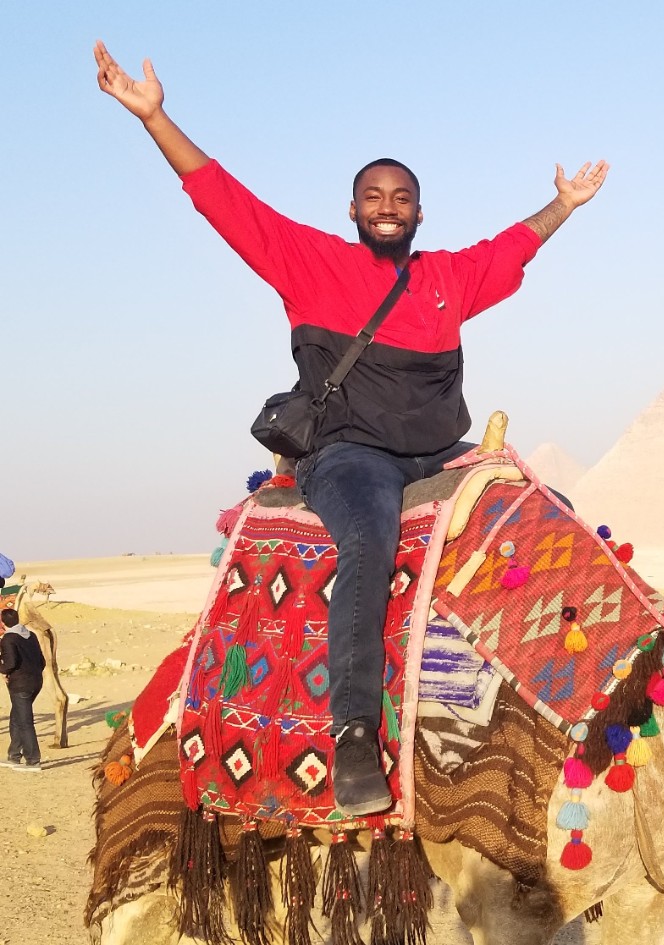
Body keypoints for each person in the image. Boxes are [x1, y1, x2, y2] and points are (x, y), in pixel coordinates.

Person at [95, 42, 609, 816]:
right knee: (367, 541)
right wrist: (156, 118)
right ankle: (354, 734)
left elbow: (514, 247)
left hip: (439, 450)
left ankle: (585, 693)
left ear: (420, 211)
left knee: (546, 505)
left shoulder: (445, 278)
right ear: (353, 208)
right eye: (374, 195)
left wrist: (564, 205)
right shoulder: (308, 262)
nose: (388, 206)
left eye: (401, 196)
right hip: (351, 453)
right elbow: (223, 198)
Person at [1, 608, 46, 771]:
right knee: (16, 718)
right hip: (36, 682)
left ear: (3, 622)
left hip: (21, 686)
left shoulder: (8, 638)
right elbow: (42, 662)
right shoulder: (31, 635)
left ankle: (33, 760)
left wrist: (3, 671)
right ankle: (14, 755)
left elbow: (10, 663)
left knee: (25, 722)